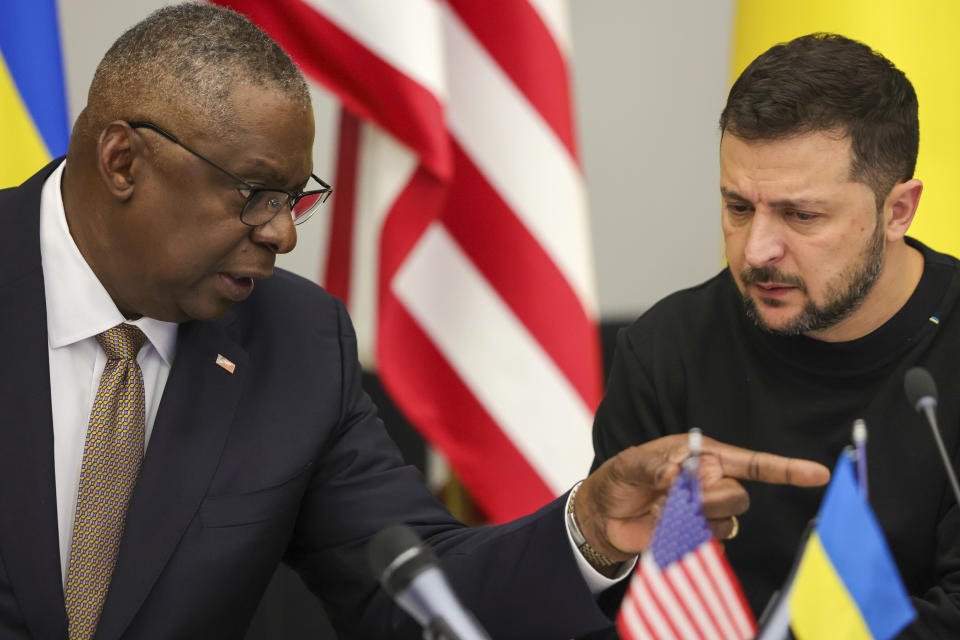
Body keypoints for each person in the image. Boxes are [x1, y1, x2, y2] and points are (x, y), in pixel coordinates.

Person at [0, 5, 830, 639]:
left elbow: (417, 590)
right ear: (123, 162)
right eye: (253, 192)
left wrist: (589, 530)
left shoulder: (294, 342)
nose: (283, 234)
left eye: (296, 200)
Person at [589, 32, 960, 637]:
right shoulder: (667, 350)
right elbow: (615, 606)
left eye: (801, 215)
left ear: (898, 212)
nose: (756, 250)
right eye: (738, 208)